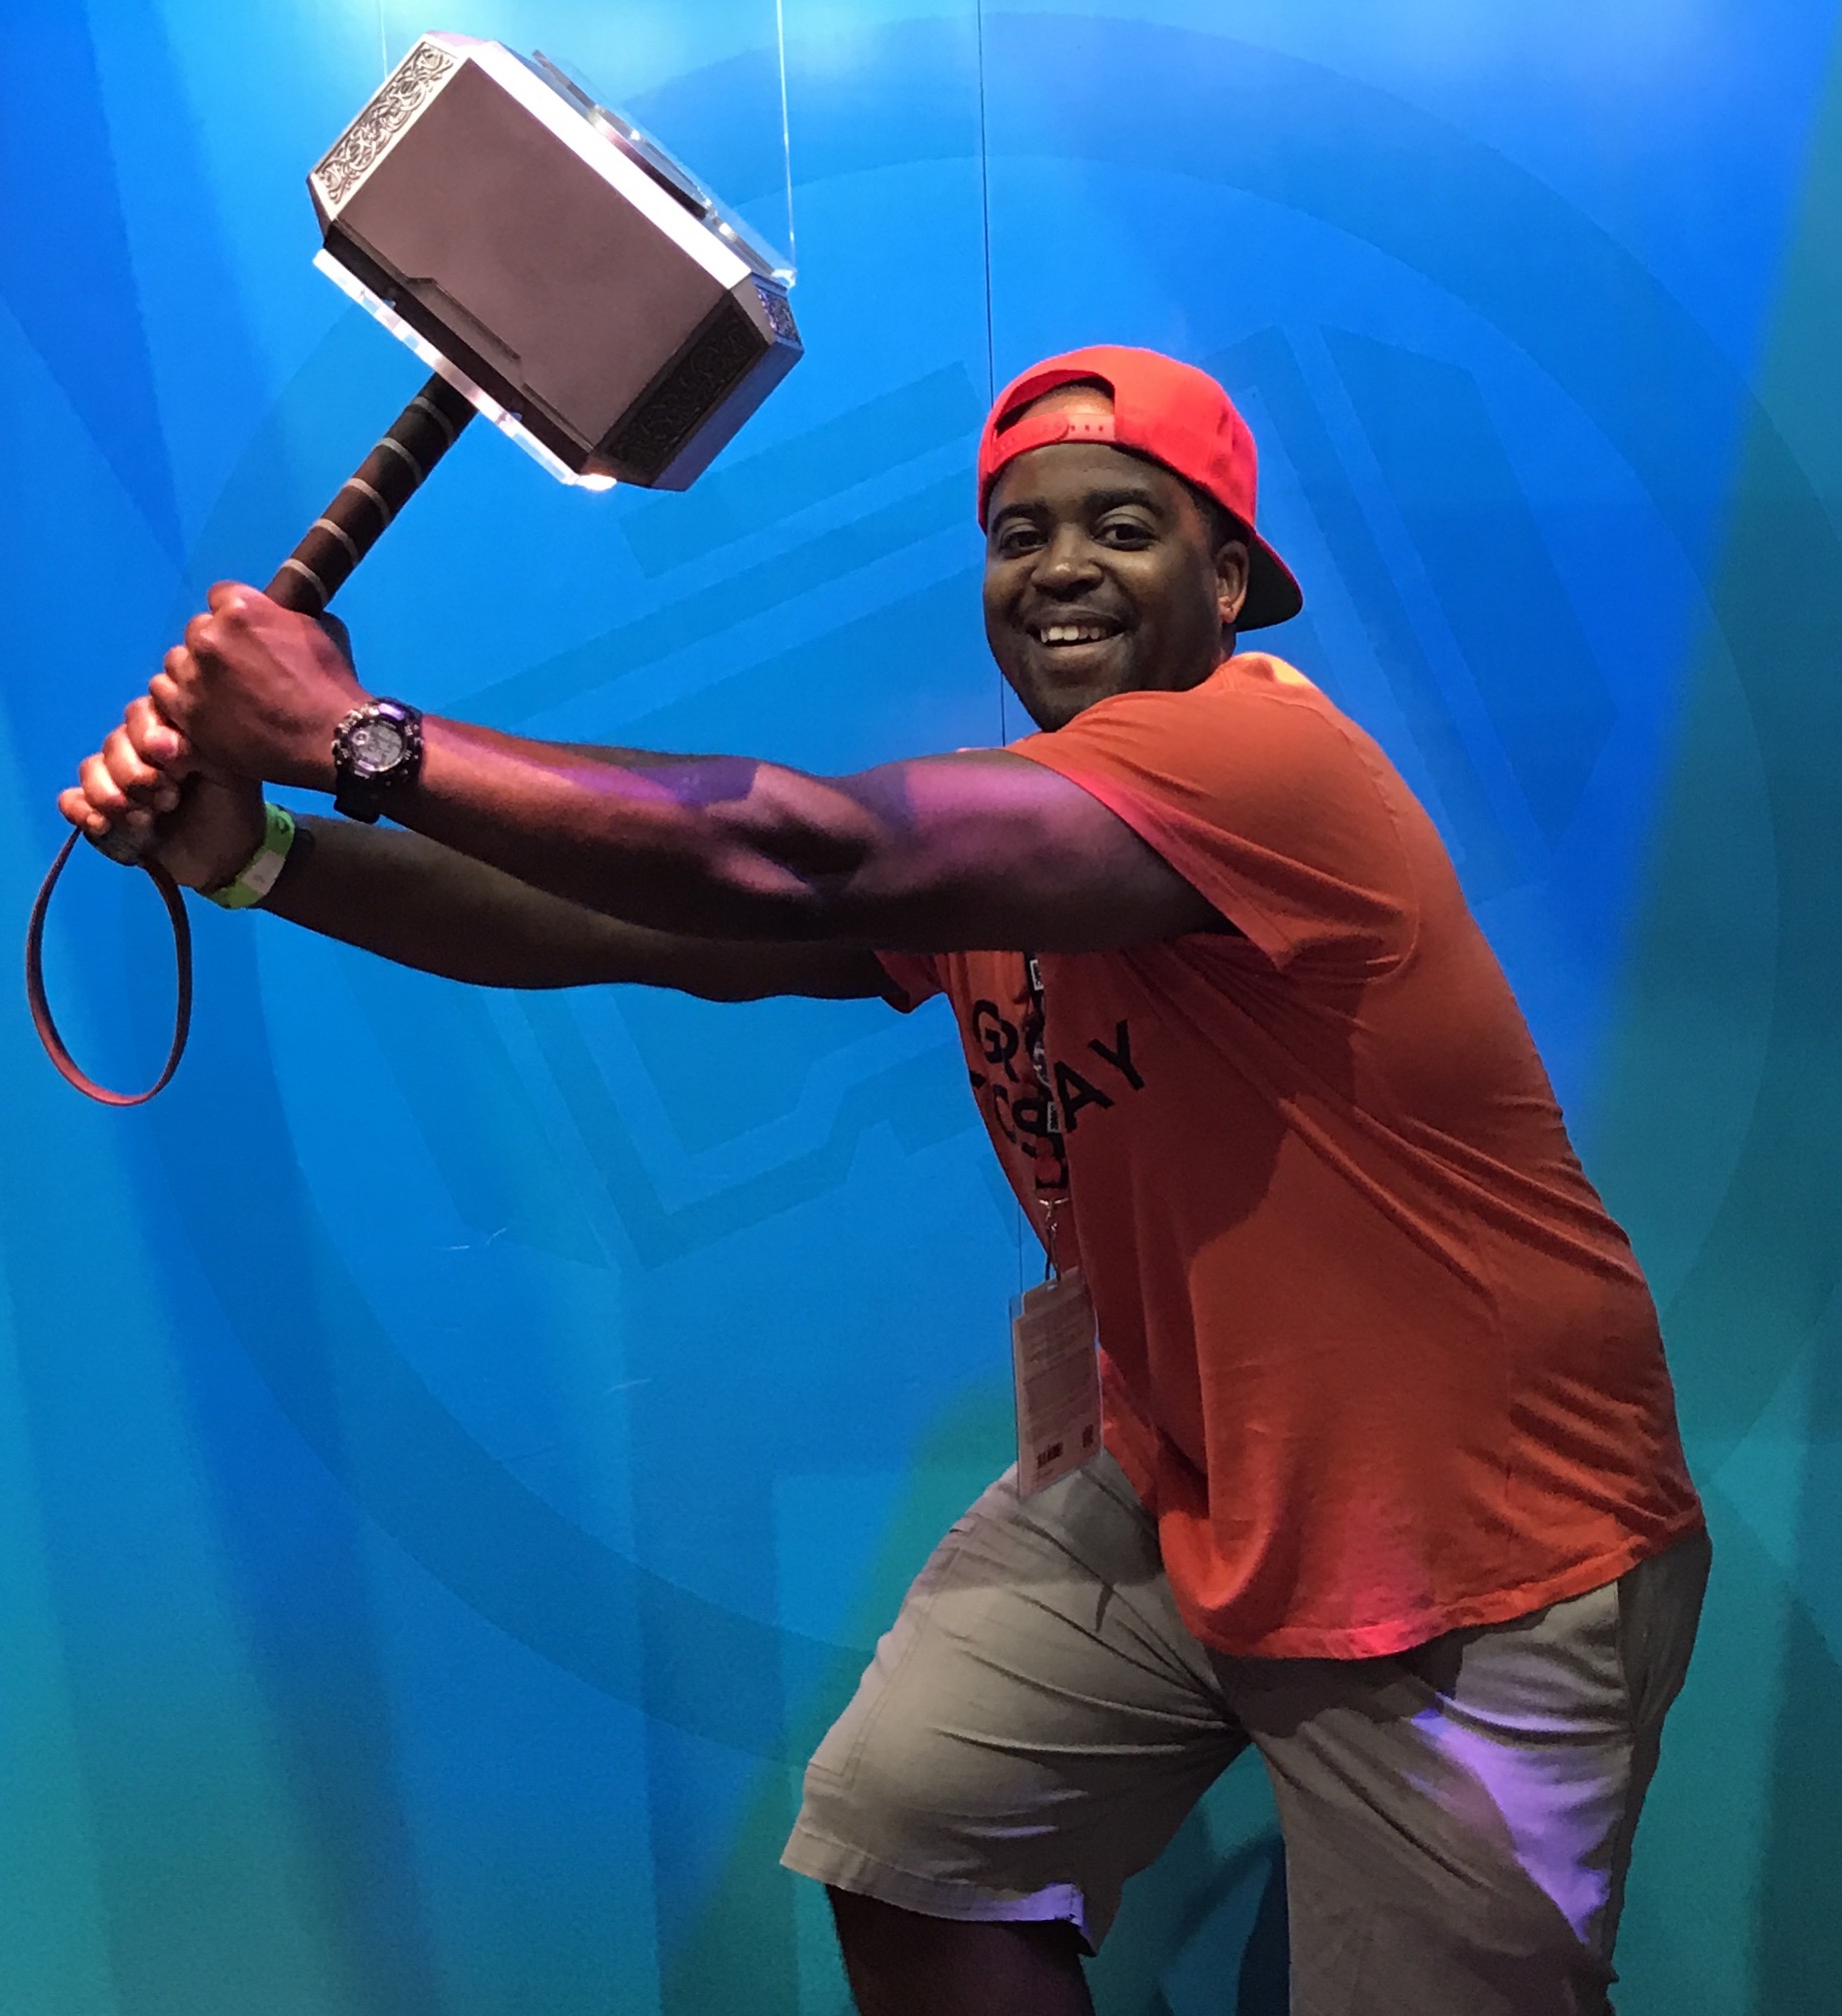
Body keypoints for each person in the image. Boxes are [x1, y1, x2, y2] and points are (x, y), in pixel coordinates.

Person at [63, 347, 1708, 2015]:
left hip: (1464, 1529)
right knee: (920, 1846)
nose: (1059, 566)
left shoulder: (1256, 766)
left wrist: (350, 736)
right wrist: (260, 854)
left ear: (1227, 584)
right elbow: (645, 923)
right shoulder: (1022, 836)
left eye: (1122, 525)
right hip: (1183, 1471)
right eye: (1019, 534)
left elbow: (792, 854)